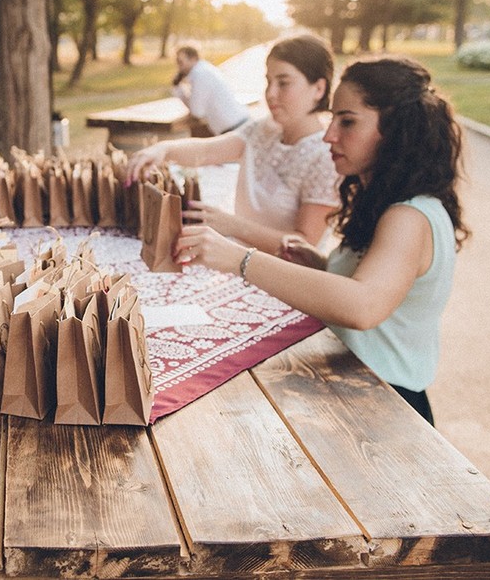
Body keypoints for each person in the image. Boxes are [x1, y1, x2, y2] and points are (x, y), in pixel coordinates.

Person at [172, 56, 469, 425]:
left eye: (347, 122)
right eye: (332, 120)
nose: (330, 135)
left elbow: (363, 306)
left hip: (388, 409)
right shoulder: (385, 201)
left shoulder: (409, 217)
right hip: (357, 389)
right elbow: (373, 287)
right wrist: (320, 265)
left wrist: (239, 259)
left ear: (396, 130)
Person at [127, 34, 340, 253]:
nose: (270, 93)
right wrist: (164, 149)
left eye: (283, 83)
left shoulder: (326, 156)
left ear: (319, 89)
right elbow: (208, 150)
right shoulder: (265, 129)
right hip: (239, 258)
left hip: (286, 278)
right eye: (268, 81)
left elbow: (304, 246)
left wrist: (232, 226)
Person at [171, 45, 249, 137]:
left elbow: (197, 112)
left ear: (193, 59)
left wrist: (179, 91)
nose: (179, 67)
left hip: (235, 128)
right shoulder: (204, 69)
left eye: (181, 62)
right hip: (236, 125)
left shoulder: (200, 74)